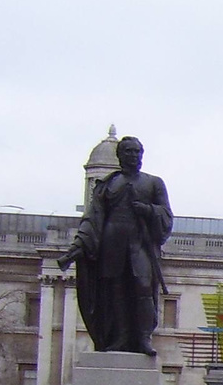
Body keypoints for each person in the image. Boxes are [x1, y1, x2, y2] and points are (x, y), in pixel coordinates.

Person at [57, 135, 174, 355]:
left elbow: (167, 216)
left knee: (143, 288)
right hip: (111, 244)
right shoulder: (108, 185)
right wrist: (80, 244)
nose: (133, 156)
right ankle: (119, 338)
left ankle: (143, 338)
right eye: (128, 151)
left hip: (139, 244)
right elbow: (93, 218)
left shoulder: (153, 183)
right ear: (119, 155)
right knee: (115, 292)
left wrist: (148, 210)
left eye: (137, 152)